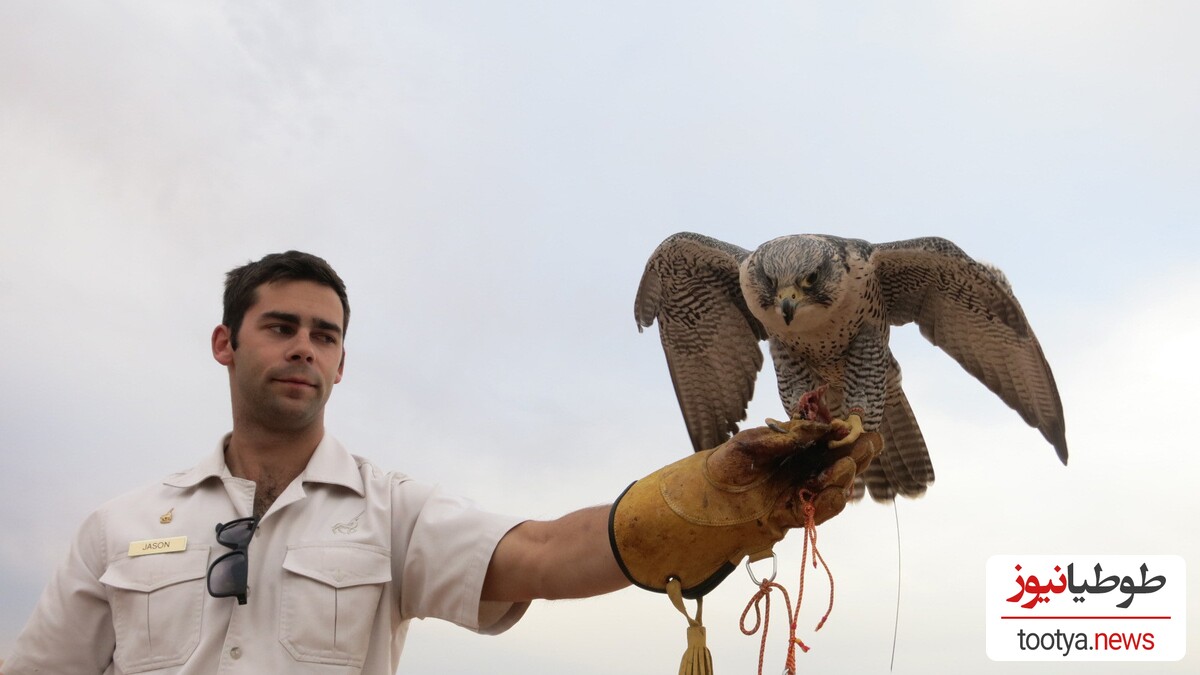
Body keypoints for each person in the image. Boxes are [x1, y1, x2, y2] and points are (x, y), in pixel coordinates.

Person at [4, 251, 872, 674]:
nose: (305, 348)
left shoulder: (391, 511)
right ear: (226, 343)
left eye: (326, 335)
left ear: (342, 363)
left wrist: (708, 495)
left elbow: (540, 552)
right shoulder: (117, 528)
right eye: (281, 328)